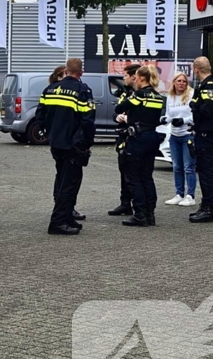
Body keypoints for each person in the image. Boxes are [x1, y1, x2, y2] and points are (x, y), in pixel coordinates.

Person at [35, 58, 96, 235]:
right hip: (74, 144)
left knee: (62, 178)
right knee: (69, 184)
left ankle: (68, 218)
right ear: (81, 73)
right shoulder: (82, 90)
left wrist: (48, 132)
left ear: (67, 70)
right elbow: (87, 120)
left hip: (56, 143)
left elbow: (40, 114)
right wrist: (87, 142)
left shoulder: (50, 89)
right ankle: (58, 222)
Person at [114, 64, 164, 227]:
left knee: (134, 177)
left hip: (138, 138)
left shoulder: (139, 95)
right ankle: (150, 213)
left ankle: (140, 214)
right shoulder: (157, 96)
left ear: (142, 78)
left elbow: (120, 107)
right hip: (152, 138)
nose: (134, 79)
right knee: (147, 177)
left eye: (135, 76)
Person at [189, 57, 213, 223]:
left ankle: (208, 208)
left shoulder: (211, 86)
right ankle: (205, 205)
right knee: (204, 171)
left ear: (197, 69)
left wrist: (195, 107)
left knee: (206, 172)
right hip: (204, 132)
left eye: (194, 70)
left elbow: (207, 109)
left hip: (207, 132)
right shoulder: (207, 85)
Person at [109, 63, 141, 217]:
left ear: (134, 77)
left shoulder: (142, 93)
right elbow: (116, 112)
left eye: (126, 75)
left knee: (136, 174)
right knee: (124, 171)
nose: (123, 78)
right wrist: (118, 117)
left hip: (137, 137)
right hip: (123, 136)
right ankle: (125, 204)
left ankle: (140, 206)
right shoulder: (125, 93)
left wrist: (131, 119)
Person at [163, 72, 197, 207]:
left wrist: (184, 120)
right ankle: (179, 194)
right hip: (174, 135)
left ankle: (190, 196)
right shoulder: (170, 97)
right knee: (177, 167)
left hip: (188, 135)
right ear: (174, 83)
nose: (181, 83)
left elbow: (195, 116)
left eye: (184, 81)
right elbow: (168, 115)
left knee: (189, 167)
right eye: (179, 81)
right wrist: (164, 120)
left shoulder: (191, 95)